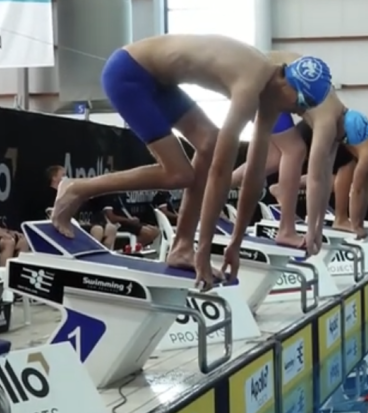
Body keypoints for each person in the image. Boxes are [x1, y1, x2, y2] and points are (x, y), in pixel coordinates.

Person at [51, 34, 332, 289]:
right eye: (301, 102)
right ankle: (78, 187)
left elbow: (255, 174)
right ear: (288, 82)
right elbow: (222, 170)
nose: (298, 112)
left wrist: (235, 243)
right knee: (179, 174)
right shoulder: (251, 83)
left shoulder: (271, 97)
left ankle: (182, 247)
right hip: (129, 74)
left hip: (159, 82)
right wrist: (205, 251)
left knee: (208, 141)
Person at [230, 50, 347, 252]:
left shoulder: (339, 114)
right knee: (295, 150)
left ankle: (220, 186)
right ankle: (286, 229)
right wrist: (312, 231)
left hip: (272, 76)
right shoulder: (328, 123)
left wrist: (317, 229)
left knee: (275, 159)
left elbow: (325, 175)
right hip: (267, 82)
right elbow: (315, 179)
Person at [45, 166, 117, 248]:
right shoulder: (49, 194)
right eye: (63, 175)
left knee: (111, 228)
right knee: (97, 230)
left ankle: (104, 254)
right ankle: (90, 255)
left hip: (82, 222)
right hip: (68, 224)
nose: (66, 177)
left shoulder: (68, 193)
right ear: (54, 178)